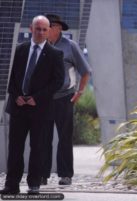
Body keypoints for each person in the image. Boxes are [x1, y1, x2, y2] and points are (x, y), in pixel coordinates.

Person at [0, 15, 64, 194]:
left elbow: (58, 81)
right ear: (31, 29)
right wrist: (16, 95)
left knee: (38, 147)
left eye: (45, 29)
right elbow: (10, 77)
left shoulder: (55, 54)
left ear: (49, 31)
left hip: (40, 109)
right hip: (19, 107)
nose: (41, 32)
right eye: (38, 29)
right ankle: (11, 185)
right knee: (15, 148)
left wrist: (38, 97)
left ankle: (34, 184)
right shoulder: (19, 50)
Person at [39, 14, 92, 186]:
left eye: (49, 26)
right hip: (44, 100)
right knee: (43, 138)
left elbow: (85, 71)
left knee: (65, 138)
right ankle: (42, 174)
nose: (45, 30)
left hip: (64, 98)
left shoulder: (71, 46)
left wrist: (80, 92)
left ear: (58, 28)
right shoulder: (40, 46)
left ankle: (66, 174)